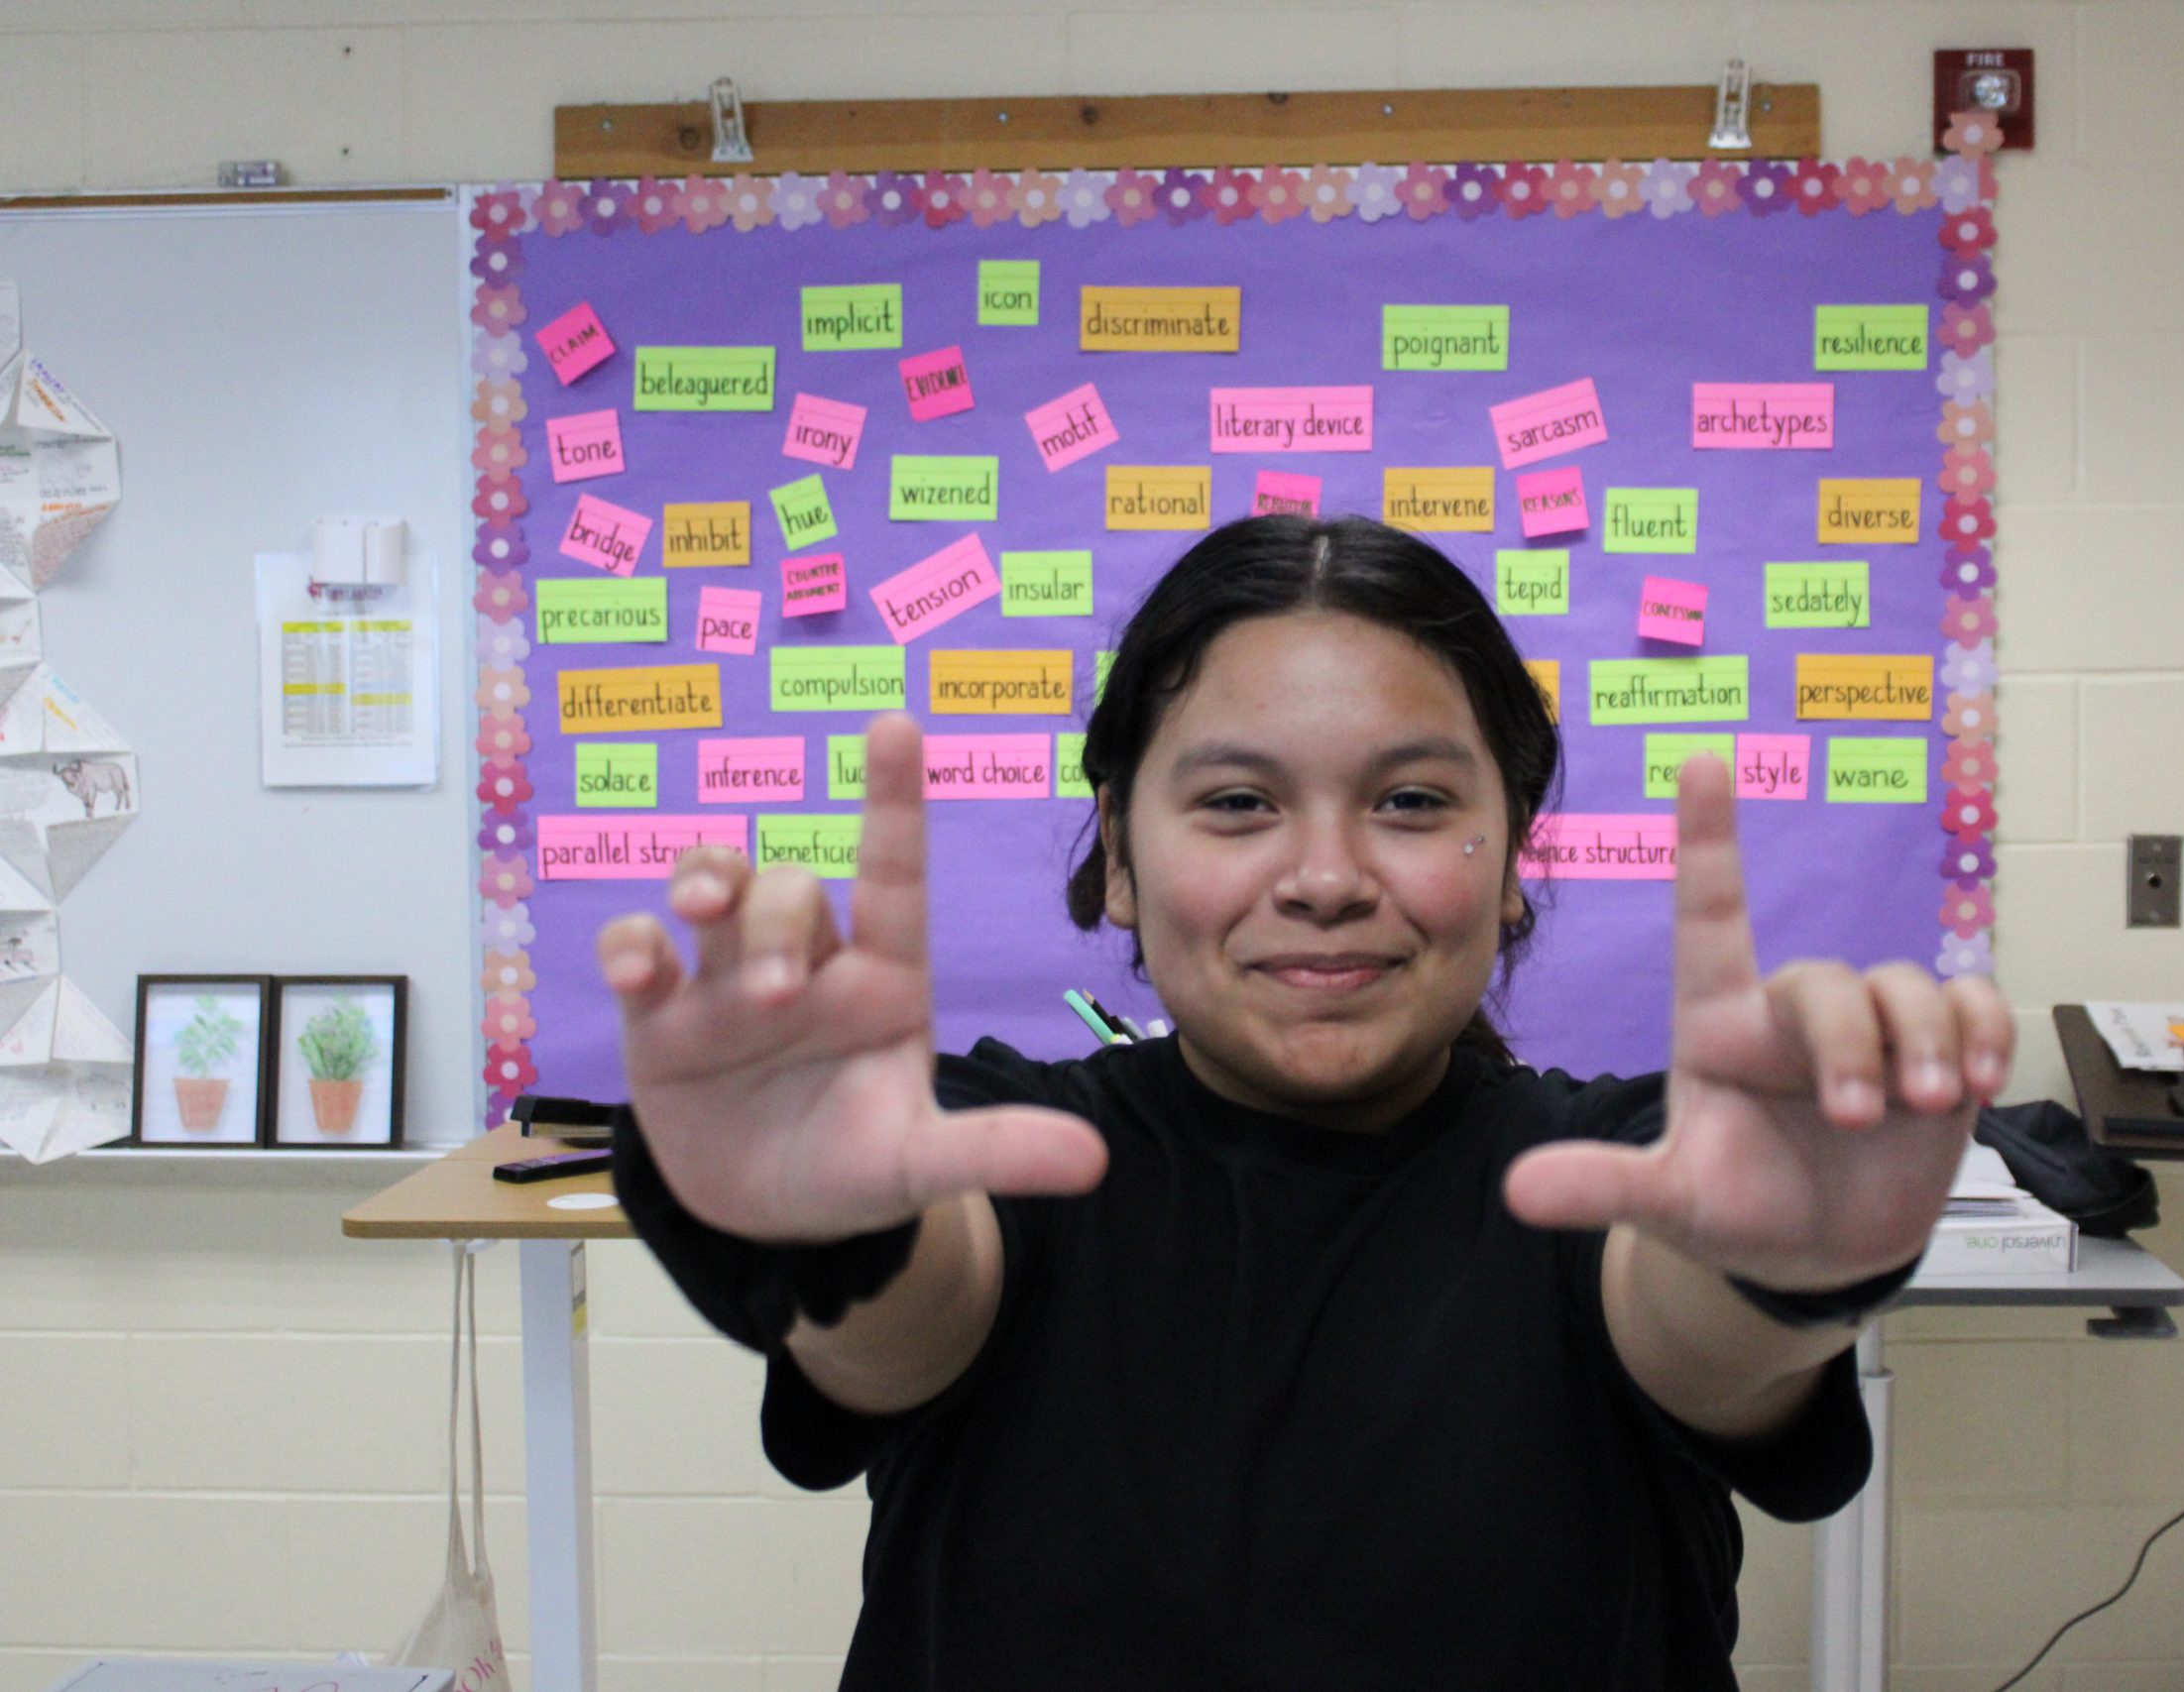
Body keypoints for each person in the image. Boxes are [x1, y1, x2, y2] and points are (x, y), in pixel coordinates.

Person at [598, 514, 2012, 1690]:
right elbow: (904, 1311)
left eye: (1408, 802)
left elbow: (1702, 1329)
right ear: (1123, 861)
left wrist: (1780, 1261)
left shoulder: (1618, 1173)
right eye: (1235, 805)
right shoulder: (993, 1149)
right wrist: (818, 1224)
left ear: (1512, 855)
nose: (1327, 874)